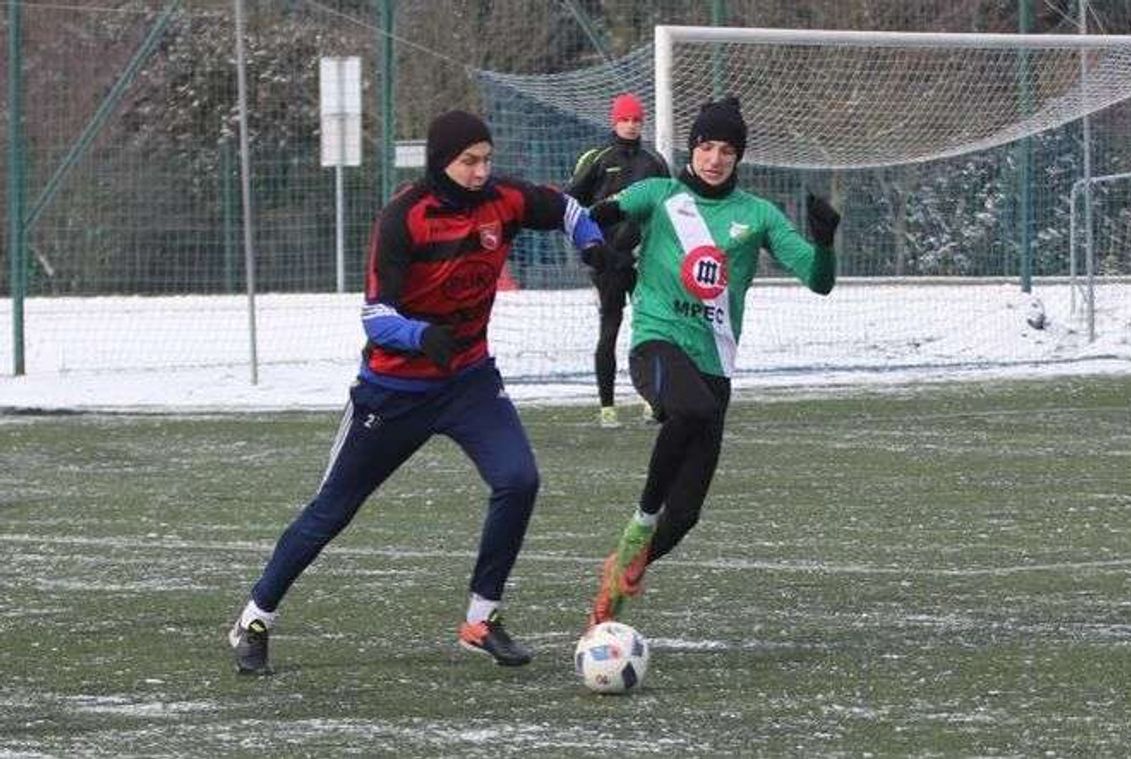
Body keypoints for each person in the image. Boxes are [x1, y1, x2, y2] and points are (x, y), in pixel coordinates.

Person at [228, 109, 615, 674]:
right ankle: (254, 617)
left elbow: (568, 209)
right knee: (331, 511)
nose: (482, 171)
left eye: (486, 159)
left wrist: (594, 246)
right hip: (394, 391)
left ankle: (481, 619)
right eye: (469, 162)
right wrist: (420, 335)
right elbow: (374, 314)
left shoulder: (504, 200)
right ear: (442, 162)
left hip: (469, 382)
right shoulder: (403, 218)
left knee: (519, 479)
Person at [584, 96, 841, 626]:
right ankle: (637, 527)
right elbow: (592, 215)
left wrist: (825, 240)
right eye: (705, 146)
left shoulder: (758, 215)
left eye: (727, 149)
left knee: (685, 515)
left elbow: (819, 281)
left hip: (713, 367)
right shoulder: (659, 194)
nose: (714, 158)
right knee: (689, 411)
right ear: (693, 148)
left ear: (739, 156)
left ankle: (623, 569)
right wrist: (600, 250)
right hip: (656, 344)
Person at [566, 93, 670, 428]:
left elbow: (668, 209)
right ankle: (607, 407)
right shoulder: (597, 158)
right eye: (625, 119)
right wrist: (591, 246)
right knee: (609, 330)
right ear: (615, 121)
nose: (631, 125)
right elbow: (570, 205)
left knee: (652, 332)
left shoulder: (654, 161)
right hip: (608, 264)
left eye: (636, 120)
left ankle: (652, 400)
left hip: (645, 263)